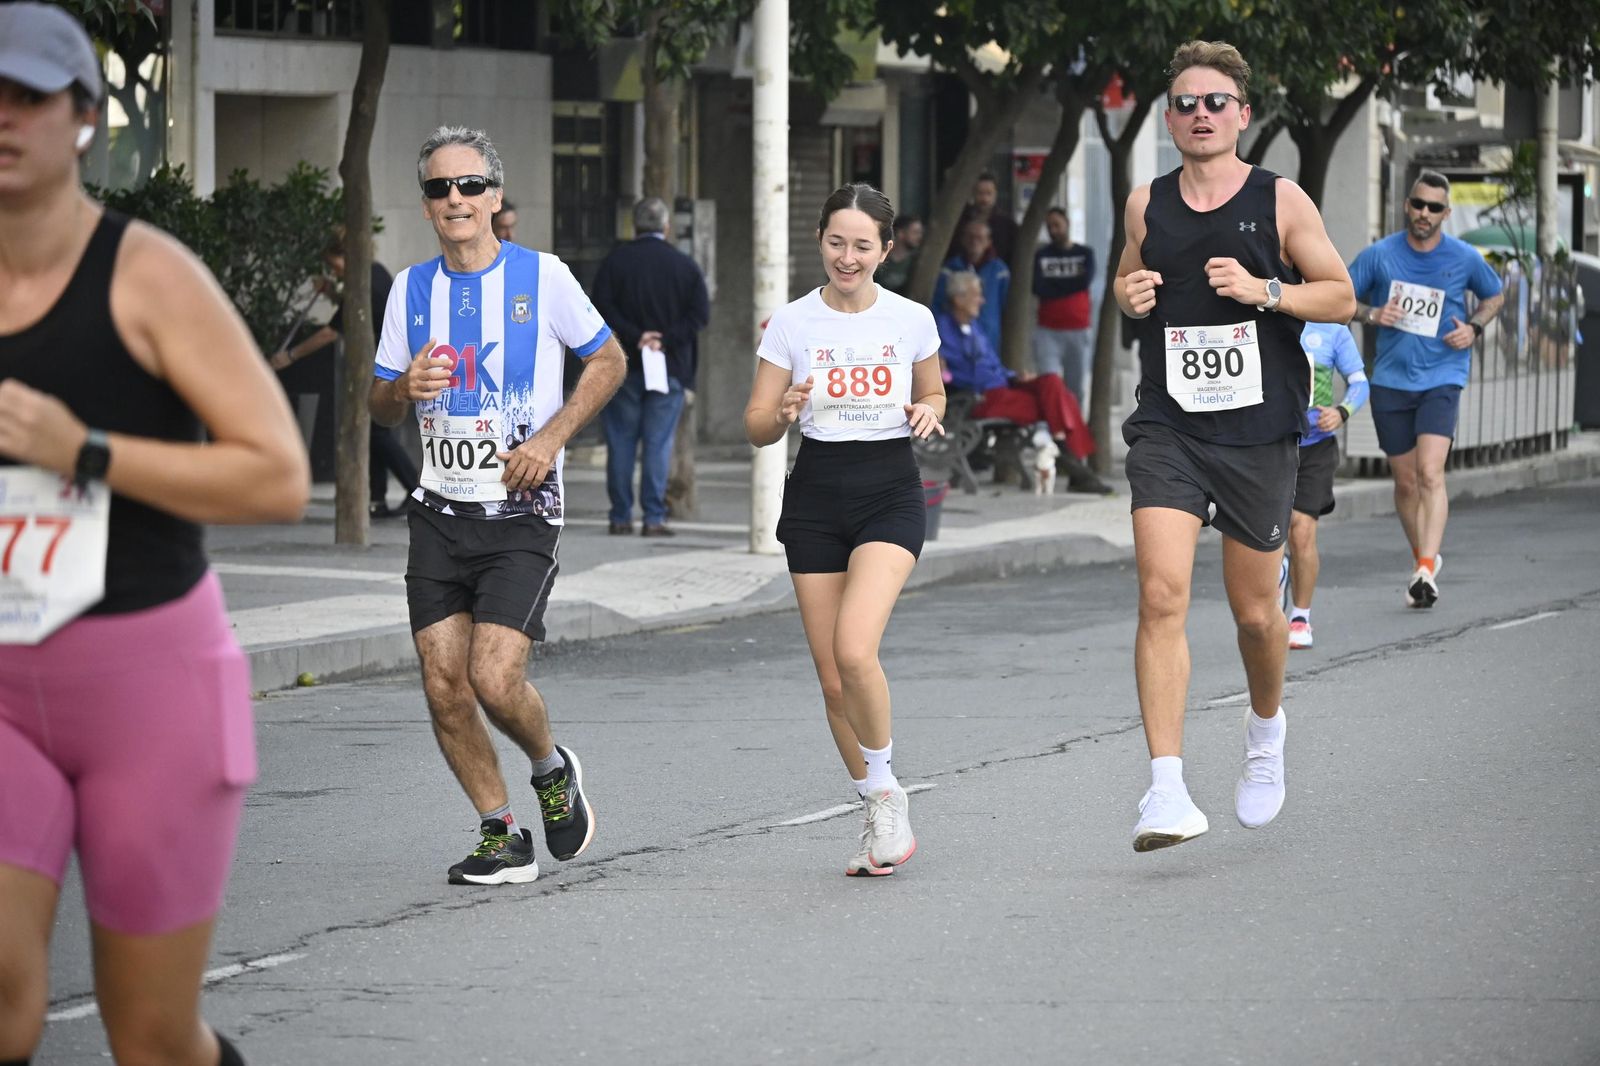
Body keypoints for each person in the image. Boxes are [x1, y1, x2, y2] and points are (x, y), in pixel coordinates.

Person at [0, 6, 311, 1064]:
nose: (4, 119)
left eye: (28, 98)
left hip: (145, 683)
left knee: (150, 1035)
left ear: (84, 118)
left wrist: (81, 447)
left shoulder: (146, 274)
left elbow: (275, 474)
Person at [1113, 40, 1355, 852]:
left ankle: (1264, 732)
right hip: (1169, 426)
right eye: (1185, 103)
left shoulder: (1280, 199)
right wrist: (1128, 293)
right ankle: (1167, 790)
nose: (1201, 114)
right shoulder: (1146, 204)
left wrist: (1267, 291)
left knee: (1257, 616)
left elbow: (1342, 296)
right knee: (1160, 594)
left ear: (1243, 115)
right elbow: (1127, 282)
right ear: (1169, 117)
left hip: (1257, 432)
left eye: (1216, 101)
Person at [369, 126, 626, 886]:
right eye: (441, 188)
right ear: (425, 205)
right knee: (442, 683)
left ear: (495, 195)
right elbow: (379, 407)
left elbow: (607, 360)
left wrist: (549, 438)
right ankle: (500, 834)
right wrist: (400, 389)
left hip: (521, 511)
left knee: (492, 678)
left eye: (470, 185)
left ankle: (550, 769)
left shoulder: (542, 277)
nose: (457, 199)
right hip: (438, 510)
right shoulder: (411, 291)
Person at [744, 182, 945, 877]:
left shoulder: (911, 318)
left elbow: (934, 388)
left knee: (855, 650)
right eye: (837, 242)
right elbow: (756, 425)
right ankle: (874, 808)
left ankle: (887, 789)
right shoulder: (793, 324)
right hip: (816, 494)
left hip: (890, 492)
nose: (847, 257)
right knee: (833, 681)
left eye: (863, 245)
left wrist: (927, 409)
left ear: (886, 249)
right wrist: (785, 408)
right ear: (820, 242)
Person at [1347, 171, 1504, 609]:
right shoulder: (1379, 256)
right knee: (1406, 481)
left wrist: (1474, 328)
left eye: (1435, 208)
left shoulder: (1464, 256)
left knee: (1431, 472)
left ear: (1446, 214)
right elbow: (1341, 298)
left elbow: (1494, 296)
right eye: (1418, 204)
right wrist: (1373, 314)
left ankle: (1424, 565)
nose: (1424, 213)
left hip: (1442, 375)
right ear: (1407, 205)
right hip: (1391, 380)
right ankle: (1425, 562)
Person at [270, 228, 420, 517]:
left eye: (333, 263)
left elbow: (331, 331)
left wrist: (289, 356)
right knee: (374, 431)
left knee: (377, 433)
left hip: (383, 363)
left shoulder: (361, 282)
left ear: (345, 255)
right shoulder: (373, 272)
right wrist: (330, 292)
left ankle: (413, 486)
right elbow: (355, 310)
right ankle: (377, 498)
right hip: (384, 360)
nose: (333, 270)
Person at [591, 196, 710, 536]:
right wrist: (664, 339)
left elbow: (600, 310)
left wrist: (636, 336)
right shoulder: (684, 266)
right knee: (658, 444)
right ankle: (654, 517)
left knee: (621, 441)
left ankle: (620, 515)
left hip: (622, 366)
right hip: (669, 366)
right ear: (666, 227)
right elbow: (699, 315)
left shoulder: (615, 262)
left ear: (636, 226)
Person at [935, 270, 1108, 493]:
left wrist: (1015, 377)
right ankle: (1076, 466)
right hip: (980, 397)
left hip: (1004, 386)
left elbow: (993, 366)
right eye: (976, 294)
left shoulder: (975, 327)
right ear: (958, 299)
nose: (982, 300)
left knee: (1052, 383)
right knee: (1062, 400)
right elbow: (953, 375)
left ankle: (1070, 459)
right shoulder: (942, 329)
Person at [1284, 321, 1369, 649]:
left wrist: (1341, 411)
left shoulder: (1333, 330)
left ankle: (1300, 616)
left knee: (1301, 528)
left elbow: (1360, 383)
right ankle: (1275, 580)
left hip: (1316, 445)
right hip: (1271, 445)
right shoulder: (1266, 312)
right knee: (1272, 531)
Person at [1031, 206, 1096, 404]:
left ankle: (1075, 428)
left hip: (1078, 329)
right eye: (1049, 226)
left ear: (1067, 224)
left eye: (1057, 225)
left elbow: (1083, 282)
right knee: (1048, 378)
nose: (1053, 230)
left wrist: (1055, 285)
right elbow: (1039, 287)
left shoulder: (1084, 253)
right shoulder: (1042, 255)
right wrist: (1069, 284)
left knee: (1075, 385)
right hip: (1048, 330)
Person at [932, 218, 1009, 355]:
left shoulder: (1000, 270)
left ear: (988, 242)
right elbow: (939, 303)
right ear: (963, 239)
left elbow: (1005, 304)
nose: (974, 241)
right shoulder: (949, 269)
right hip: (955, 337)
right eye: (970, 237)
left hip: (989, 335)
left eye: (980, 238)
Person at [946, 170, 1017, 265]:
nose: (985, 199)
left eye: (989, 193)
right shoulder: (959, 222)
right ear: (973, 193)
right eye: (980, 193)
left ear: (995, 194)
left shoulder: (1007, 225)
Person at [875, 213, 922, 294]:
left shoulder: (917, 261)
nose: (919, 237)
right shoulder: (880, 259)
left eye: (920, 233)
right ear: (901, 234)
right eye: (915, 232)